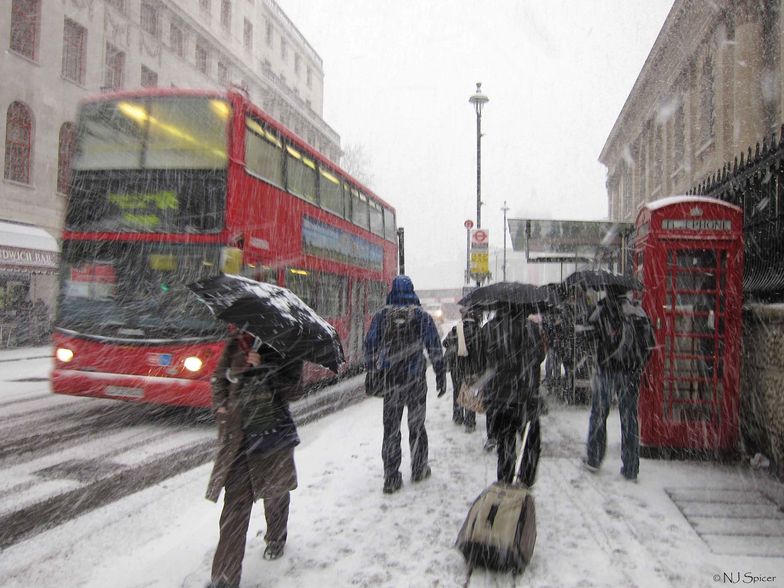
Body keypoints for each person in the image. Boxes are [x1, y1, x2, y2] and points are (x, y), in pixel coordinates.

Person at [206, 329, 305, 588]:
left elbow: (295, 389)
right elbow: (218, 378)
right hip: (238, 440)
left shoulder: (286, 345)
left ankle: (276, 537)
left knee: (275, 494)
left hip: (271, 436)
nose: (236, 328)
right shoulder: (235, 345)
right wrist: (221, 405)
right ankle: (225, 578)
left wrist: (265, 369)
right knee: (234, 507)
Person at [363, 275, 446, 494]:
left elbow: (370, 345)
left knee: (391, 430)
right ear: (412, 290)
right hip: (416, 379)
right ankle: (419, 468)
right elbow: (434, 346)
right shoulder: (421, 317)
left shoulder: (382, 316)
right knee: (416, 425)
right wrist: (440, 374)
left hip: (391, 382)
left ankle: (391, 477)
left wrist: (373, 369)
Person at [583, 287, 654, 481]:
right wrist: (637, 366)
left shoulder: (601, 310)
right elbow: (650, 344)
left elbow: (588, 336)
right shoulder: (637, 311)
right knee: (629, 419)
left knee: (598, 415)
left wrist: (602, 353)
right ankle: (631, 467)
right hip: (629, 374)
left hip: (606, 371)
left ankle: (594, 458)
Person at [480, 303, 546, 486]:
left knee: (505, 443)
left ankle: (505, 479)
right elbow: (540, 356)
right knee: (531, 442)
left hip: (500, 396)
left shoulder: (489, 329)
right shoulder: (530, 328)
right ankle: (526, 479)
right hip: (526, 395)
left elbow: (481, 359)